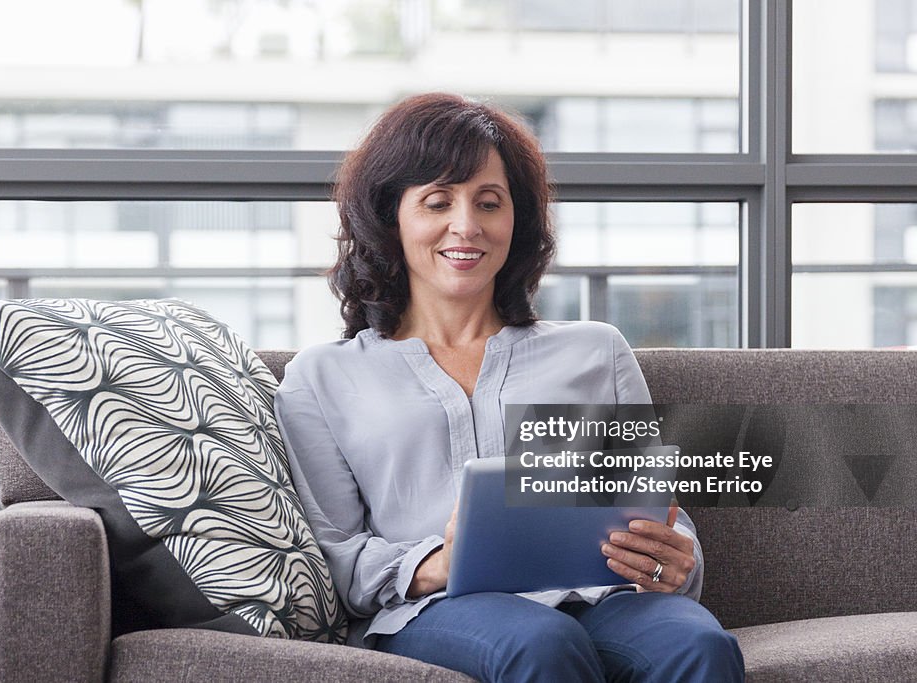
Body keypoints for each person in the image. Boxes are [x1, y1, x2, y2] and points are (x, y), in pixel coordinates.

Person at [274, 92, 745, 682]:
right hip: (434, 611)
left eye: (489, 203)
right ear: (392, 216)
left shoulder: (595, 350)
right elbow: (338, 554)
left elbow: (657, 512)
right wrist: (439, 564)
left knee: (698, 644)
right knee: (538, 642)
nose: (466, 226)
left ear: (515, 219)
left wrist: (672, 559)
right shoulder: (322, 377)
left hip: (601, 599)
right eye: (437, 202)